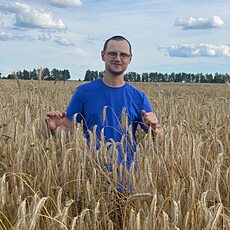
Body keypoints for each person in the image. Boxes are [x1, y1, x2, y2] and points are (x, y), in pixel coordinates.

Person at [45, 35, 163, 171]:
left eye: (123, 55)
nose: (118, 58)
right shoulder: (84, 92)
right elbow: (67, 131)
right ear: (103, 55)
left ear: (130, 59)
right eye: (112, 53)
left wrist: (156, 130)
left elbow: (157, 139)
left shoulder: (139, 97)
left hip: (129, 179)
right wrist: (55, 129)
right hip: (91, 178)